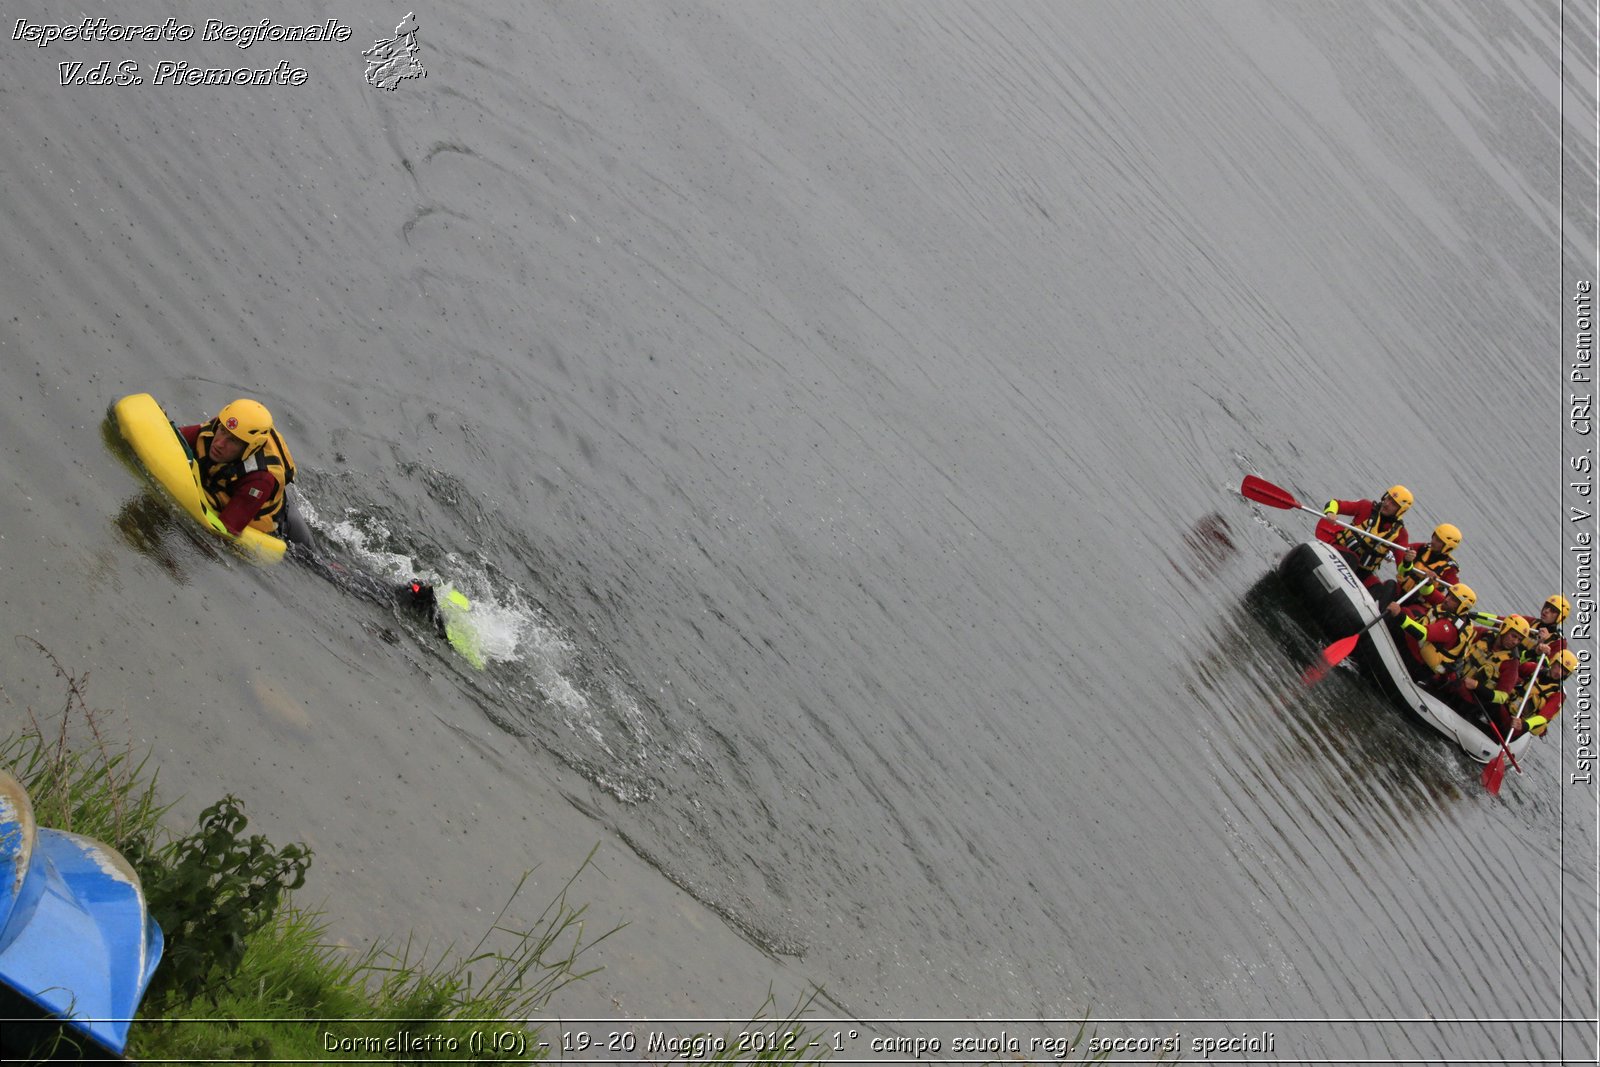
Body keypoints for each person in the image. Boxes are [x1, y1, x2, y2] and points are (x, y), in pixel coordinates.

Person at [178, 399, 309, 544]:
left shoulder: (260, 479)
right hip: (242, 492)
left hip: (286, 531)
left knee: (316, 564)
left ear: (249, 447)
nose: (219, 443)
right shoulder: (226, 427)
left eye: (232, 441)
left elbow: (223, 535)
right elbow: (176, 436)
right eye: (222, 431)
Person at [1323, 485, 1412, 588]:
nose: (1387, 504)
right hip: (1338, 553)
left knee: (1385, 588)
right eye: (1388, 499)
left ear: (1401, 510)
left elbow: (1402, 572)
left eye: (1393, 504)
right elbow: (1334, 503)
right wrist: (1330, 513)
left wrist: (1407, 561)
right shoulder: (1365, 506)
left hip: (1361, 572)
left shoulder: (1401, 534)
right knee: (1352, 559)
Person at [1450, 615, 1531, 719]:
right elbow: (1464, 634)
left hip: (1472, 699)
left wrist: (1476, 686)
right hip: (1455, 678)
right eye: (1513, 636)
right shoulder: (1485, 634)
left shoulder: (1511, 663)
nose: (1515, 642)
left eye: (1519, 639)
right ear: (1504, 629)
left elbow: (1502, 697)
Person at [1391, 581, 1476, 678]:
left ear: (1462, 606)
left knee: (1404, 613)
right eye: (1449, 595)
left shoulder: (1450, 628)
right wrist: (1428, 583)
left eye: (1453, 599)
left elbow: (1422, 634)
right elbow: (1428, 593)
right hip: (1419, 647)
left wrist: (1399, 615)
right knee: (1412, 612)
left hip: (1419, 663)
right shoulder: (1448, 606)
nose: (1447, 599)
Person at [1374, 523, 1461, 608]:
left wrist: (1430, 585)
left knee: (1407, 612)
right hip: (1401, 590)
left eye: (1438, 541)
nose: (1433, 541)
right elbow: (1401, 549)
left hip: (1419, 604)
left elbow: (1456, 593)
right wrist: (1390, 551)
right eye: (1434, 537)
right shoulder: (1422, 548)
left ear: (1447, 547)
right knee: (1389, 584)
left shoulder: (1449, 570)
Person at [1506, 648, 1578, 740]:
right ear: (1553, 662)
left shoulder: (1558, 695)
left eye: (1564, 671)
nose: (1559, 672)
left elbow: (1543, 717)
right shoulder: (1535, 669)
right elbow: (1514, 668)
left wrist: (1524, 725)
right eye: (1559, 666)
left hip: (1520, 724)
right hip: (1508, 706)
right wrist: (1534, 651)